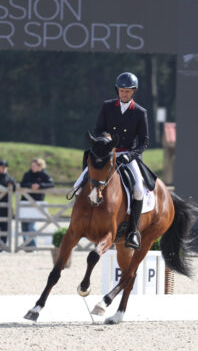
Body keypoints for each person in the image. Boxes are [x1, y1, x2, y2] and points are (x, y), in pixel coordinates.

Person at [73, 72, 150, 250]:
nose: (124, 94)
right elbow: (99, 129)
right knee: (79, 184)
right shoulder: (107, 107)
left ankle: (132, 232)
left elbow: (144, 141)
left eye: (127, 91)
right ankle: (78, 220)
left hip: (127, 156)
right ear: (117, 90)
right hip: (107, 154)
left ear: (133, 91)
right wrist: (105, 140)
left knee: (138, 189)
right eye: (122, 91)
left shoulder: (140, 112)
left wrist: (130, 155)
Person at [20, 158, 54, 251]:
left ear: (40, 166)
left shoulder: (44, 175)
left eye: (35, 166)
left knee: (32, 226)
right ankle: (26, 246)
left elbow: (51, 184)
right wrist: (31, 186)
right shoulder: (27, 174)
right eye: (32, 166)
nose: (33, 167)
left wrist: (40, 186)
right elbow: (22, 184)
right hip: (26, 202)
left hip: (37, 203)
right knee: (24, 225)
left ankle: (32, 246)